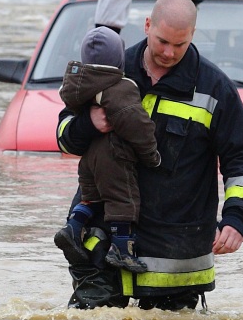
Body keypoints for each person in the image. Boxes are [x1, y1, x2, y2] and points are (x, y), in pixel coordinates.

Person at [56, 0, 243, 311]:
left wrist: (236, 218)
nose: (168, 53)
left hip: (175, 254)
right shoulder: (110, 69)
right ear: (147, 25)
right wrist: (88, 124)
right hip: (104, 240)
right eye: (162, 41)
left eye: (178, 45)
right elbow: (64, 137)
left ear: (193, 35)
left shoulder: (215, 88)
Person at [54, 26, 162, 274]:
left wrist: (85, 124)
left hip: (88, 159)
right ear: (119, 59)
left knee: (90, 198)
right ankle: (122, 251)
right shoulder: (120, 86)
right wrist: (151, 155)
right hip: (113, 156)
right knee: (122, 200)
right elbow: (135, 123)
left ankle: (72, 228)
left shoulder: (75, 84)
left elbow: (66, 120)